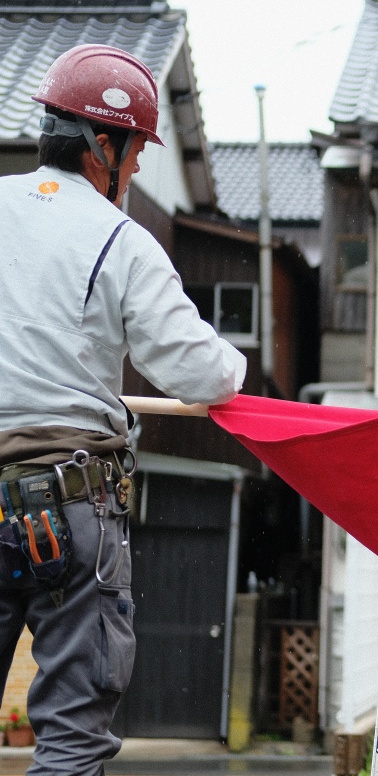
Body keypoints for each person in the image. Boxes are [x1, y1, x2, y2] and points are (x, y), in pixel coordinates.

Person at [0, 44, 246, 775]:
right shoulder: (122, 241)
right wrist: (233, 367)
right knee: (72, 738)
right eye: (136, 151)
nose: (136, 170)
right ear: (103, 144)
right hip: (72, 506)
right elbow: (202, 373)